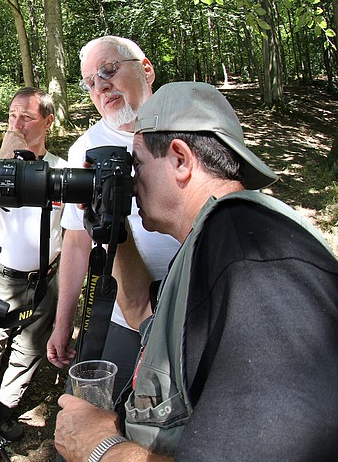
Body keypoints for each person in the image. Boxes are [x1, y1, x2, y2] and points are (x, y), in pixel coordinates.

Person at [54, 82, 338, 461]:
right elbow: (144, 312)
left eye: (135, 164)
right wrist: (116, 228)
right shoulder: (211, 239)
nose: (131, 182)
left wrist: (101, 449)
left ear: (181, 160)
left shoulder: (253, 258)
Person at [47, 36, 179, 402]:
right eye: (90, 82)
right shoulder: (83, 150)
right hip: (119, 318)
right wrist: (62, 323)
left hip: (190, 315)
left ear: (146, 69)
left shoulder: (190, 130)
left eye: (108, 70)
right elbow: (76, 242)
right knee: (89, 416)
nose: (100, 86)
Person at [0, 87, 65, 442]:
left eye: (28, 116)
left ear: (48, 121)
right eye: (12, 115)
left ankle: (1, 416)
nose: (16, 124)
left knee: (26, 354)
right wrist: (1, 165)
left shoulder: (61, 171)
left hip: (44, 282)